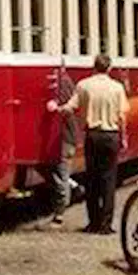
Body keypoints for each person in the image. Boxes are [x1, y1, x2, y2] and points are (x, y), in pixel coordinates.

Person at [48, 53, 127, 234]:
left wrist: (57, 109)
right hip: (111, 135)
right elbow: (122, 116)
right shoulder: (117, 87)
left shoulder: (84, 85)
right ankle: (106, 225)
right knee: (108, 180)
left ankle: (93, 222)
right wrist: (123, 137)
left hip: (92, 135)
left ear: (94, 66)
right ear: (109, 68)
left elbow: (70, 108)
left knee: (92, 179)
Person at [44, 68, 79, 226]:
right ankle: (73, 187)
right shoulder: (70, 85)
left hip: (64, 139)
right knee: (59, 173)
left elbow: (63, 111)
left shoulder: (61, 86)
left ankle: (59, 215)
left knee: (60, 174)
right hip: (67, 138)